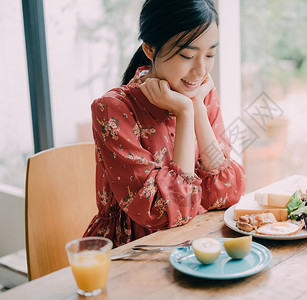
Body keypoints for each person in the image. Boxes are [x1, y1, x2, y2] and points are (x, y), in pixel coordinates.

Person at [83, 0, 246, 247]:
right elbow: (164, 213)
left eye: (210, 54)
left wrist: (197, 110)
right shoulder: (113, 109)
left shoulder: (201, 94)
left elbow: (226, 194)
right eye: (187, 55)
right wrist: (184, 112)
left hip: (193, 239)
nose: (200, 70)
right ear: (149, 49)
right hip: (131, 252)